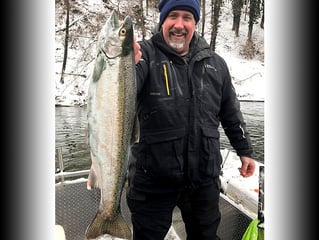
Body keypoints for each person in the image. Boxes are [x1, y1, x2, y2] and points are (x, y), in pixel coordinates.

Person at [127, 0, 256, 239]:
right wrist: (122, 65)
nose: (179, 24)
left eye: (187, 17)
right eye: (172, 16)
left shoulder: (216, 64)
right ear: (162, 21)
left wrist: (244, 150)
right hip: (152, 178)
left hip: (203, 179)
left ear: (195, 23)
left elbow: (230, 112)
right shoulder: (142, 55)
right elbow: (122, 93)